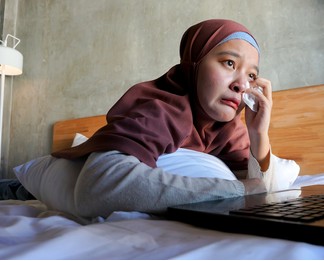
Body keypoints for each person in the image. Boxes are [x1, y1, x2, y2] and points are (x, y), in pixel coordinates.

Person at [51, 19, 280, 218]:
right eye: (229, 63)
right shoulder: (162, 110)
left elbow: (265, 194)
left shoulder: (230, 132)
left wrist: (259, 135)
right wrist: (238, 191)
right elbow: (95, 188)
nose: (241, 85)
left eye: (252, 76)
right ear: (194, 62)